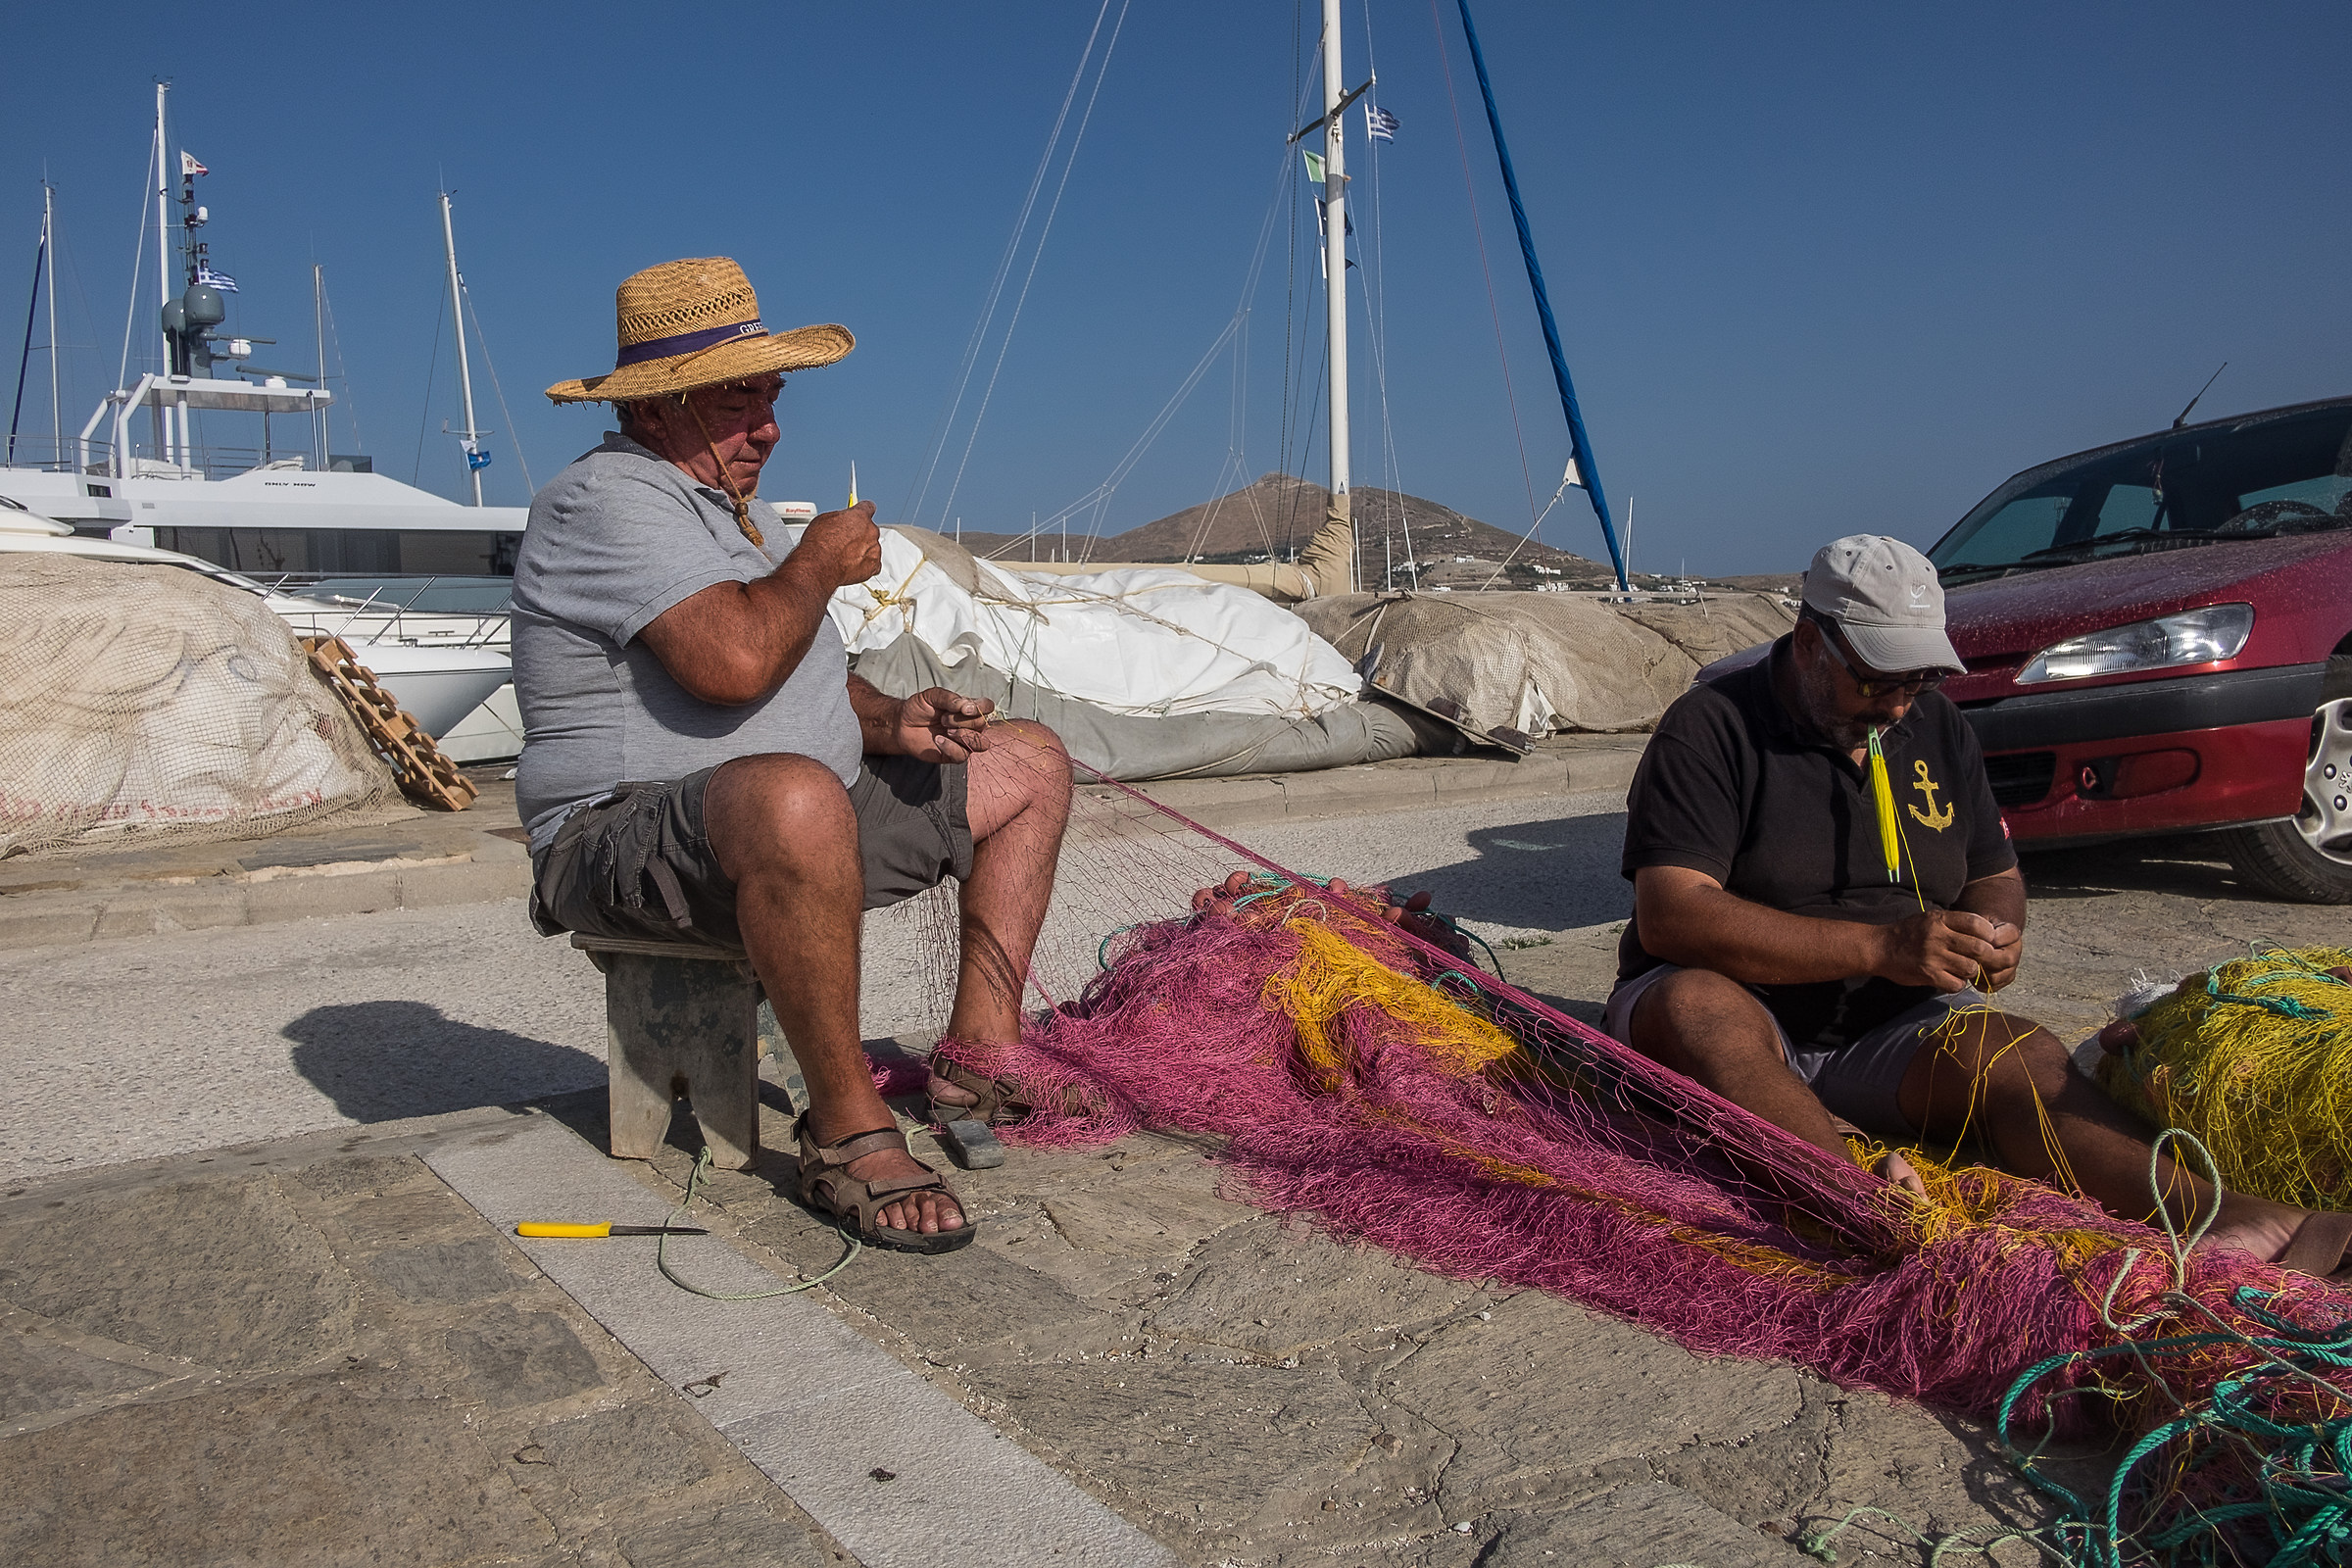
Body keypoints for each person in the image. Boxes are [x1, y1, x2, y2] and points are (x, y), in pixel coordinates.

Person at [515, 257, 1072, 1254]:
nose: (768, 430)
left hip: (788, 815)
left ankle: (979, 1057)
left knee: (1028, 761)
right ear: (656, 408)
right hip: (615, 841)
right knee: (795, 798)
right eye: (738, 405)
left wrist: (893, 720)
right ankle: (845, 1128)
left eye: (770, 399)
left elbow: (798, 668)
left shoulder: (738, 508)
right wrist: (816, 562)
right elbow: (733, 663)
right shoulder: (604, 500)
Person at [1606, 534, 2350, 1279]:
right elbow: (1674, 915)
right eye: (1875, 680)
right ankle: (1854, 1199)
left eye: (1919, 678)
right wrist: (1882, 949)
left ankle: (2222, 1215)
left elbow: (1996, 872)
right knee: (1698, 1008)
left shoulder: (1933, 724)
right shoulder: (1711, 726)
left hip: (1886, 1020)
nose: (1898, 703)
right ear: (1809, 643)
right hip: (1739, 998)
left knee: (2022, 1058)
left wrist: (1995, 930)